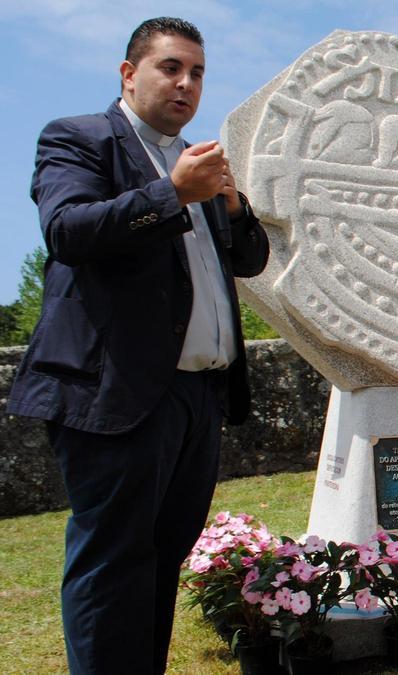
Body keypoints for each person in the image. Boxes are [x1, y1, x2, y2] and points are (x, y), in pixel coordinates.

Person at [5, 18, 269, 673]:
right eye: (171, 68)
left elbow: (253, 259)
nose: (186, 84)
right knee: (113, 561)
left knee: (160, 555)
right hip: (119, 392)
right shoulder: (80, 139)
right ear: (129, 74)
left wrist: (232, 208)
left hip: (197, 396)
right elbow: (67, 231)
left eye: (198, 72)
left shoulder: (199, 163)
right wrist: (172, 193)